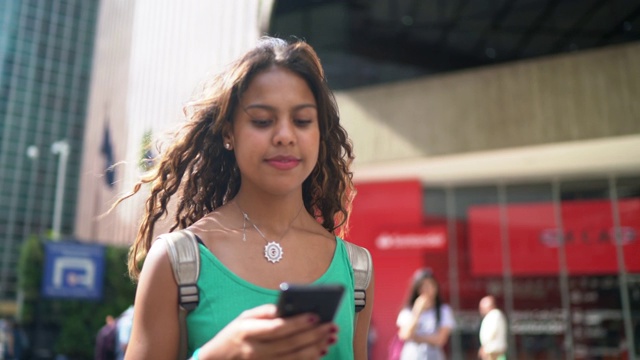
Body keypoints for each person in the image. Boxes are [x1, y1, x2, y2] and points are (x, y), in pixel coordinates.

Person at [116, 36, 374, 359]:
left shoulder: (356, 269)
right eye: (263, 121)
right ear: (228, 133)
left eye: (302, 121)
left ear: (320, 134)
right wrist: (218, 354)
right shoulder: (178, 262)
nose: (284, 135)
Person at [396, 268, 455, 360]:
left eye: (429, 285)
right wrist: (417, 312)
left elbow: (440, 339)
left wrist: (416, 338)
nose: (426, 290)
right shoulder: (408, 311)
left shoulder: (444, 311)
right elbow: (405, 334)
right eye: (422, 287)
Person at [477, 295, 507, 360]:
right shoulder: (493, 315)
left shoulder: (495, 315)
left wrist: (484, 346)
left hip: (493, 350)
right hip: (492, 349)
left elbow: (491, 332)